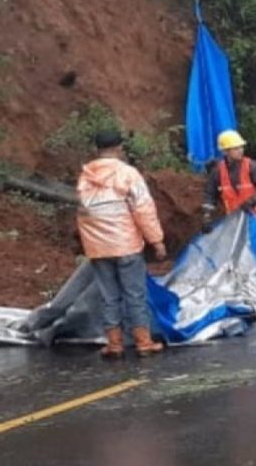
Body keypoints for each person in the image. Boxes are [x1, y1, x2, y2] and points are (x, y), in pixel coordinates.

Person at [77, 130, 167, 358]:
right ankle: (143, 343)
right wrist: (156, 240)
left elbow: (83, 214)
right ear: (119, 148)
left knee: (109, 296)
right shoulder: (128, 174)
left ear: (96, 150)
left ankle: (115, 344)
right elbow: (143, 209)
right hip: (126, 244)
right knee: (134, 294)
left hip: (98, 248)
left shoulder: (85, 177)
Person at [203, 130, 256, 224]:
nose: (241, 150)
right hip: (235, 221)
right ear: (225, 151)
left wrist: (253, 200)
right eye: (236, 148)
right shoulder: (217, 172)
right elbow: (210, 195)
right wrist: (207, 216)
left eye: (241, 147)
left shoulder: (252, 167)